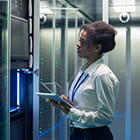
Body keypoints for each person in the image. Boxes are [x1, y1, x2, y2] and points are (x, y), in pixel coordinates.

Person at [46, 20, 120, 140]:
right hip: (78, 133)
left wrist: (72, 112)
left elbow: (106, 116)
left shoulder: (102, 75)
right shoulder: (84, 70)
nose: (78, 44)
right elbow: (86, 105)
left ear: (97, 47)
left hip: (94, 136)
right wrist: (68, 105)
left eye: (83, 41)